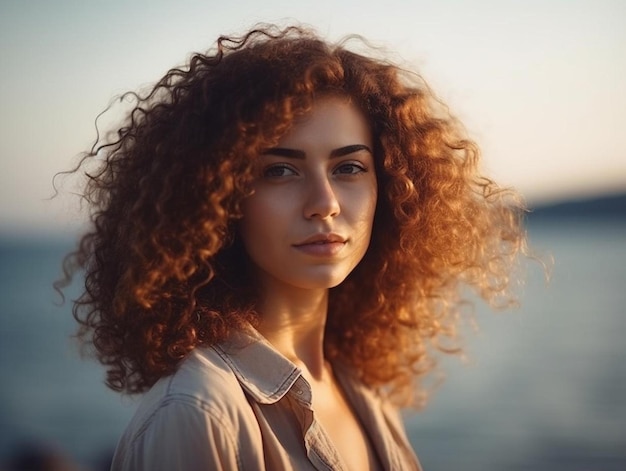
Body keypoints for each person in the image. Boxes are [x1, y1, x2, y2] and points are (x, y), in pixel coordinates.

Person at [57, 24, 527, 470]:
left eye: (349, 168)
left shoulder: (361, 388)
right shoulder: (198, 415)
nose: (324, 204)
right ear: (216, 197)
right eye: (280, 170)